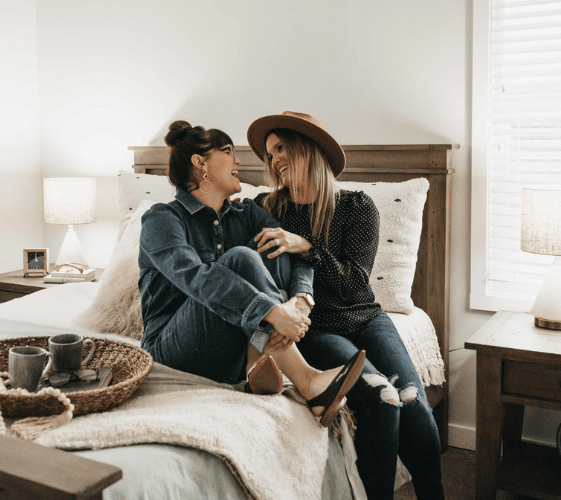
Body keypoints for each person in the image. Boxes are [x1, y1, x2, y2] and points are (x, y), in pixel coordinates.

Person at [246, 111, 445, 500]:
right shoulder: (267, 209)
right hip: (318, 327)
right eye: (269, 155)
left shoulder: (357, 206)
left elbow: (356, 285)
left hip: (367, 318)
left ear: (309, 148)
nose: (274, 161)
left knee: (414, 404)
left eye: (281, 148)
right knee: (383, 398)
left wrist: (307, 247)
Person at [138, 119, 365, 428]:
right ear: (200, 163)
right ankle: (307, 380)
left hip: (229, 350)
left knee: (271, 246)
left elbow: (295, 255)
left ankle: (254, 362)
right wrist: (272, 311)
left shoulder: (247, 213)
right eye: (228, 151)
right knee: (240, 259)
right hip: (174, 350)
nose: (238, 161)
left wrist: (300, 300)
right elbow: (196, 277)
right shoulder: (162, 219)